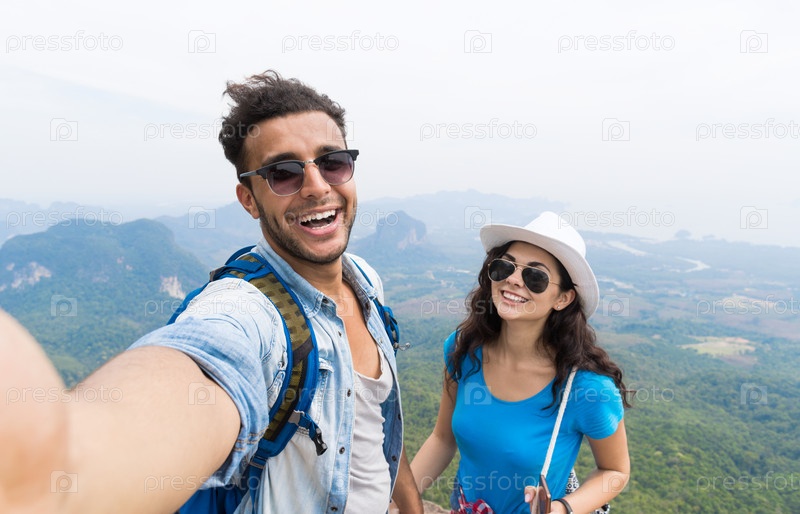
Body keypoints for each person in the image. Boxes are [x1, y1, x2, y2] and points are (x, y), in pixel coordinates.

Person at [0, 70, 423, 514]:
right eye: (283, 173)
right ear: (249, 199)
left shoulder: (365, 281)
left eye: (332, 162)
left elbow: (377, 430)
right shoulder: (249, 314)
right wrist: (61, 468)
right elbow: (205, 361)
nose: (318, 186)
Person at [410, 212, 631, 514]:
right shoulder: (463, 349)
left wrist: (561, 509)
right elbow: (442, 438)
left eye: (535, 277)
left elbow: (615, 471)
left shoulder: (587, 387)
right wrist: (398, 500)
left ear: (563, 299)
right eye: (505, 266)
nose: (513, 279)